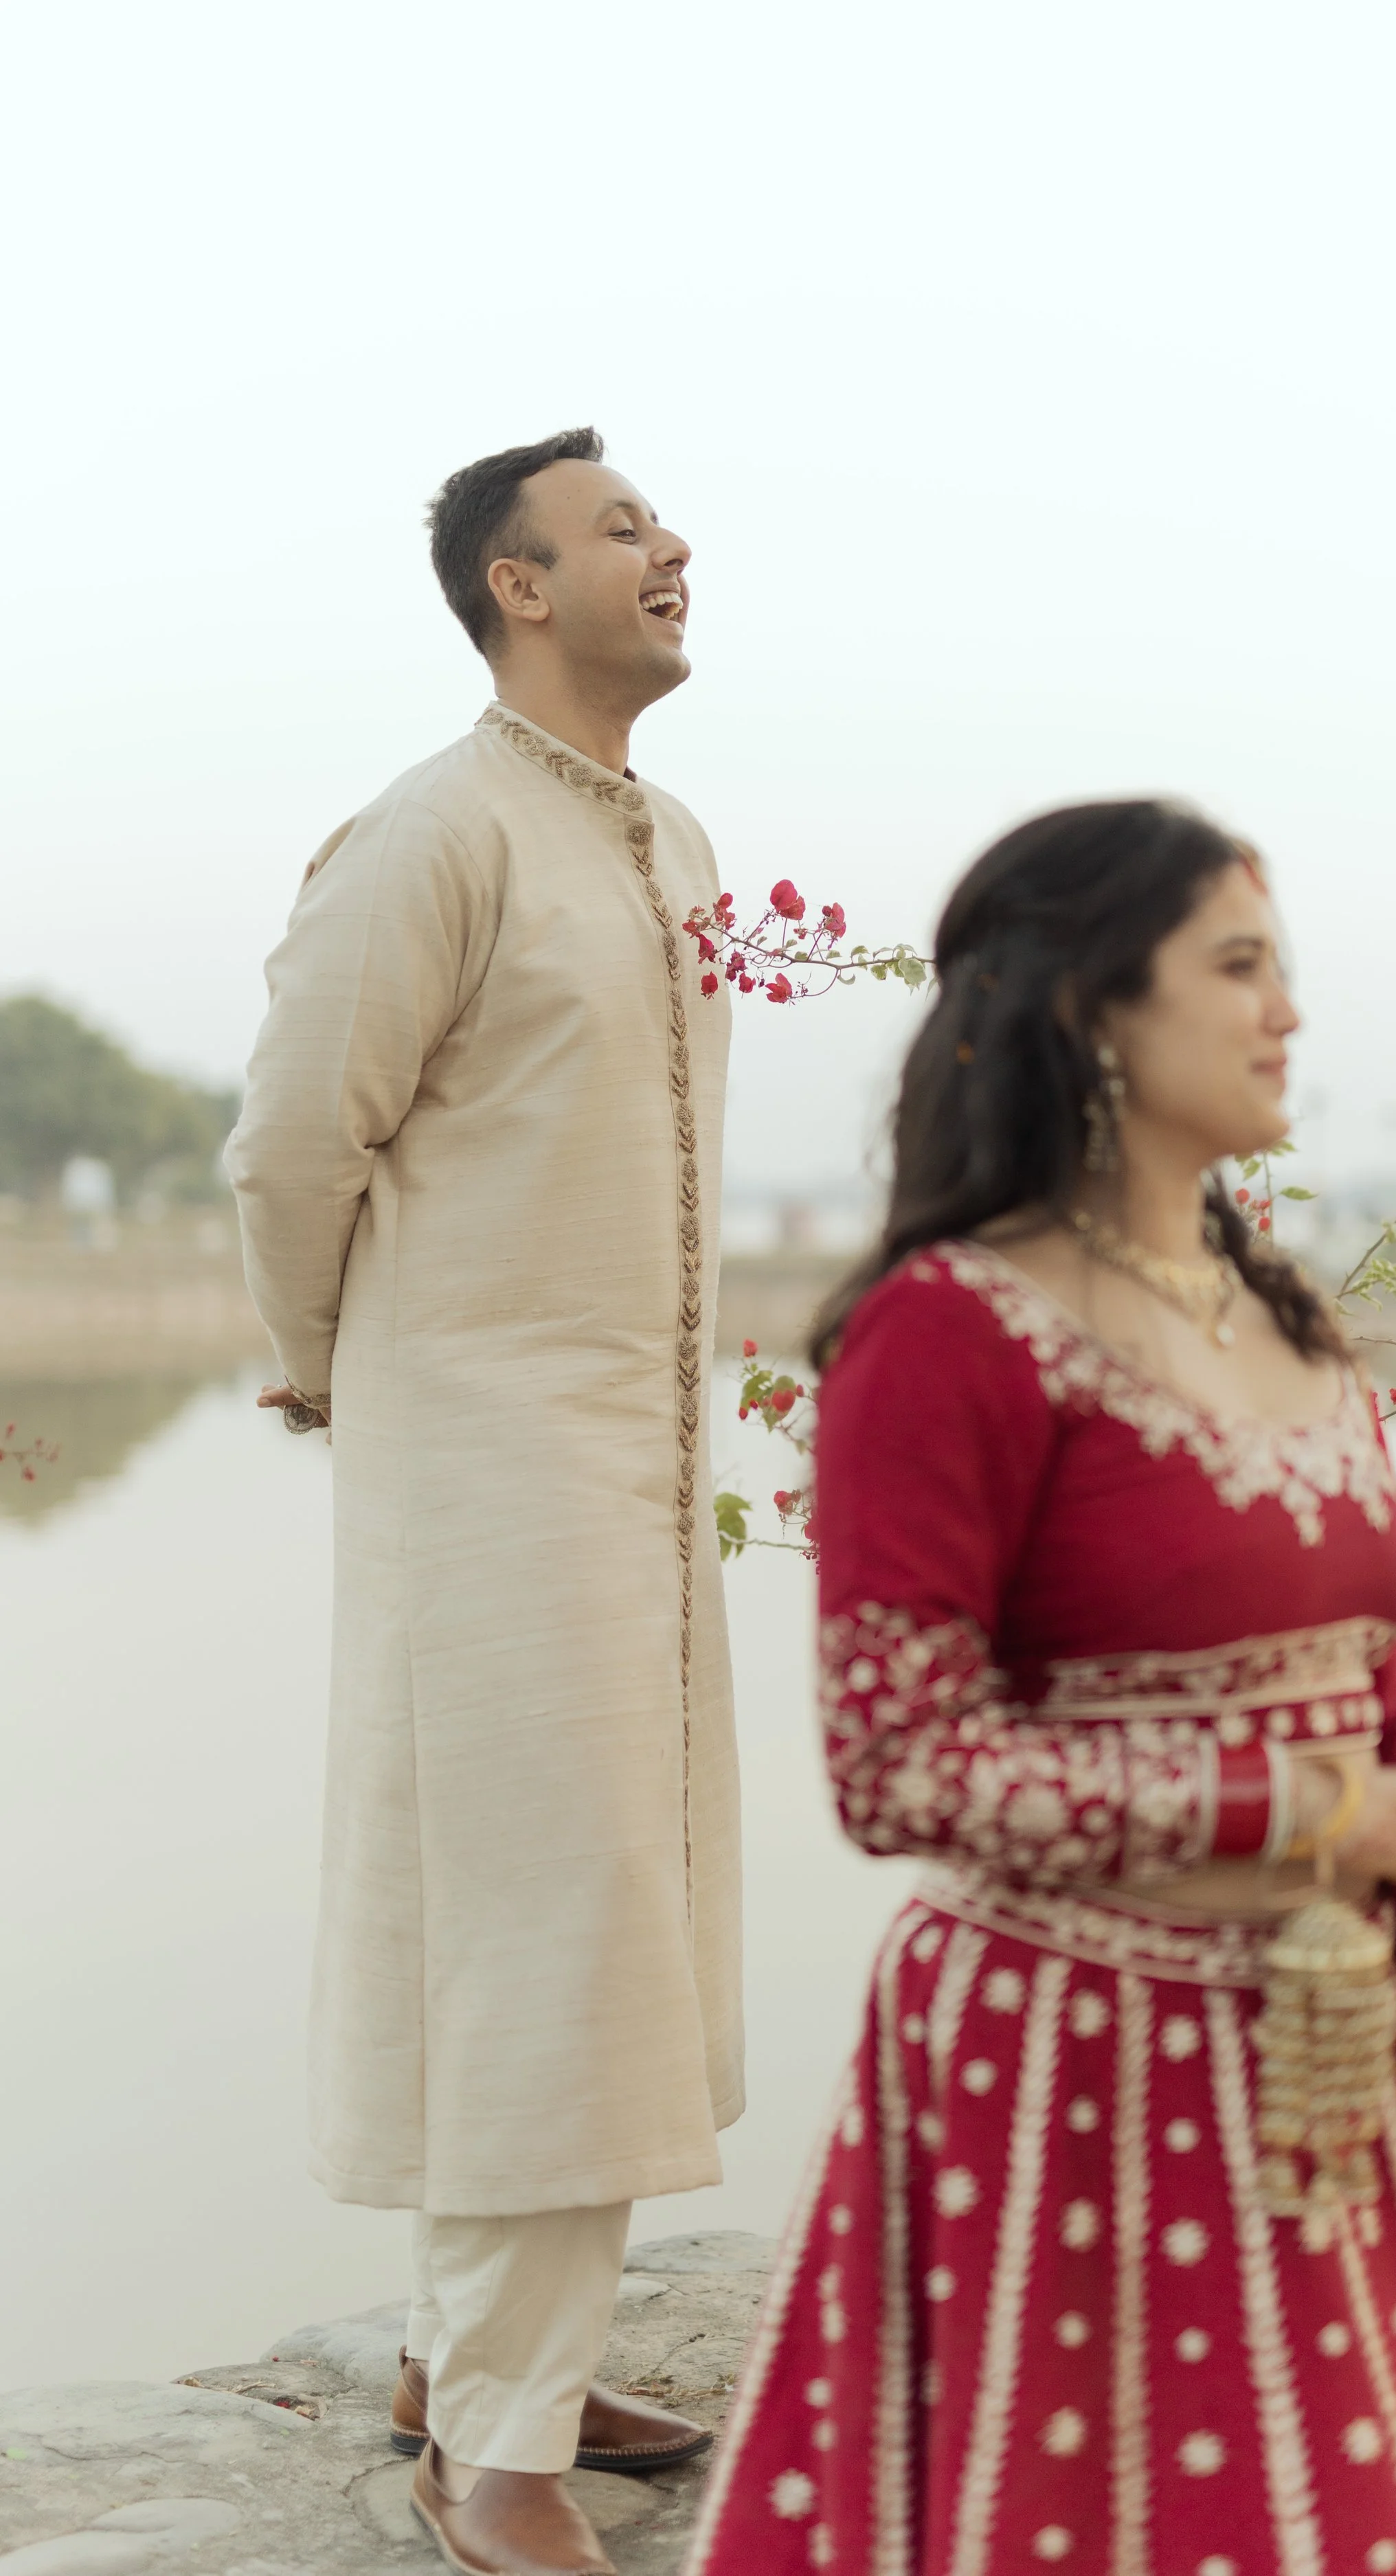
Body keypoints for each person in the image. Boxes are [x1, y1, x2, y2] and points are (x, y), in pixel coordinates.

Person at [687, 802, 1396, 2576]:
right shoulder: (948, 1332)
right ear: (1088, 1008)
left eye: (1282, 966)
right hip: (1070, 2071)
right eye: (1235, 964)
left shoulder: (1279, 1317)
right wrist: (1307, 1809)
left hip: (1325, 2058)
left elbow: (1377, 1668)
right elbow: (897, 1767)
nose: (1282, 1010)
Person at [227, 427, 742, 2576]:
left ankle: (477, 2362)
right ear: (516, 586)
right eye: (622, 526)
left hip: (635, 1457)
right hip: (488, 1463)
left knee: (592, 1914)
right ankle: (494, 2455)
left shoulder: (673, 846)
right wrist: (341, 1376)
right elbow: (287, 1147)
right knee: (543, 1923)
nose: (671, 545)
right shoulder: (433, 833)